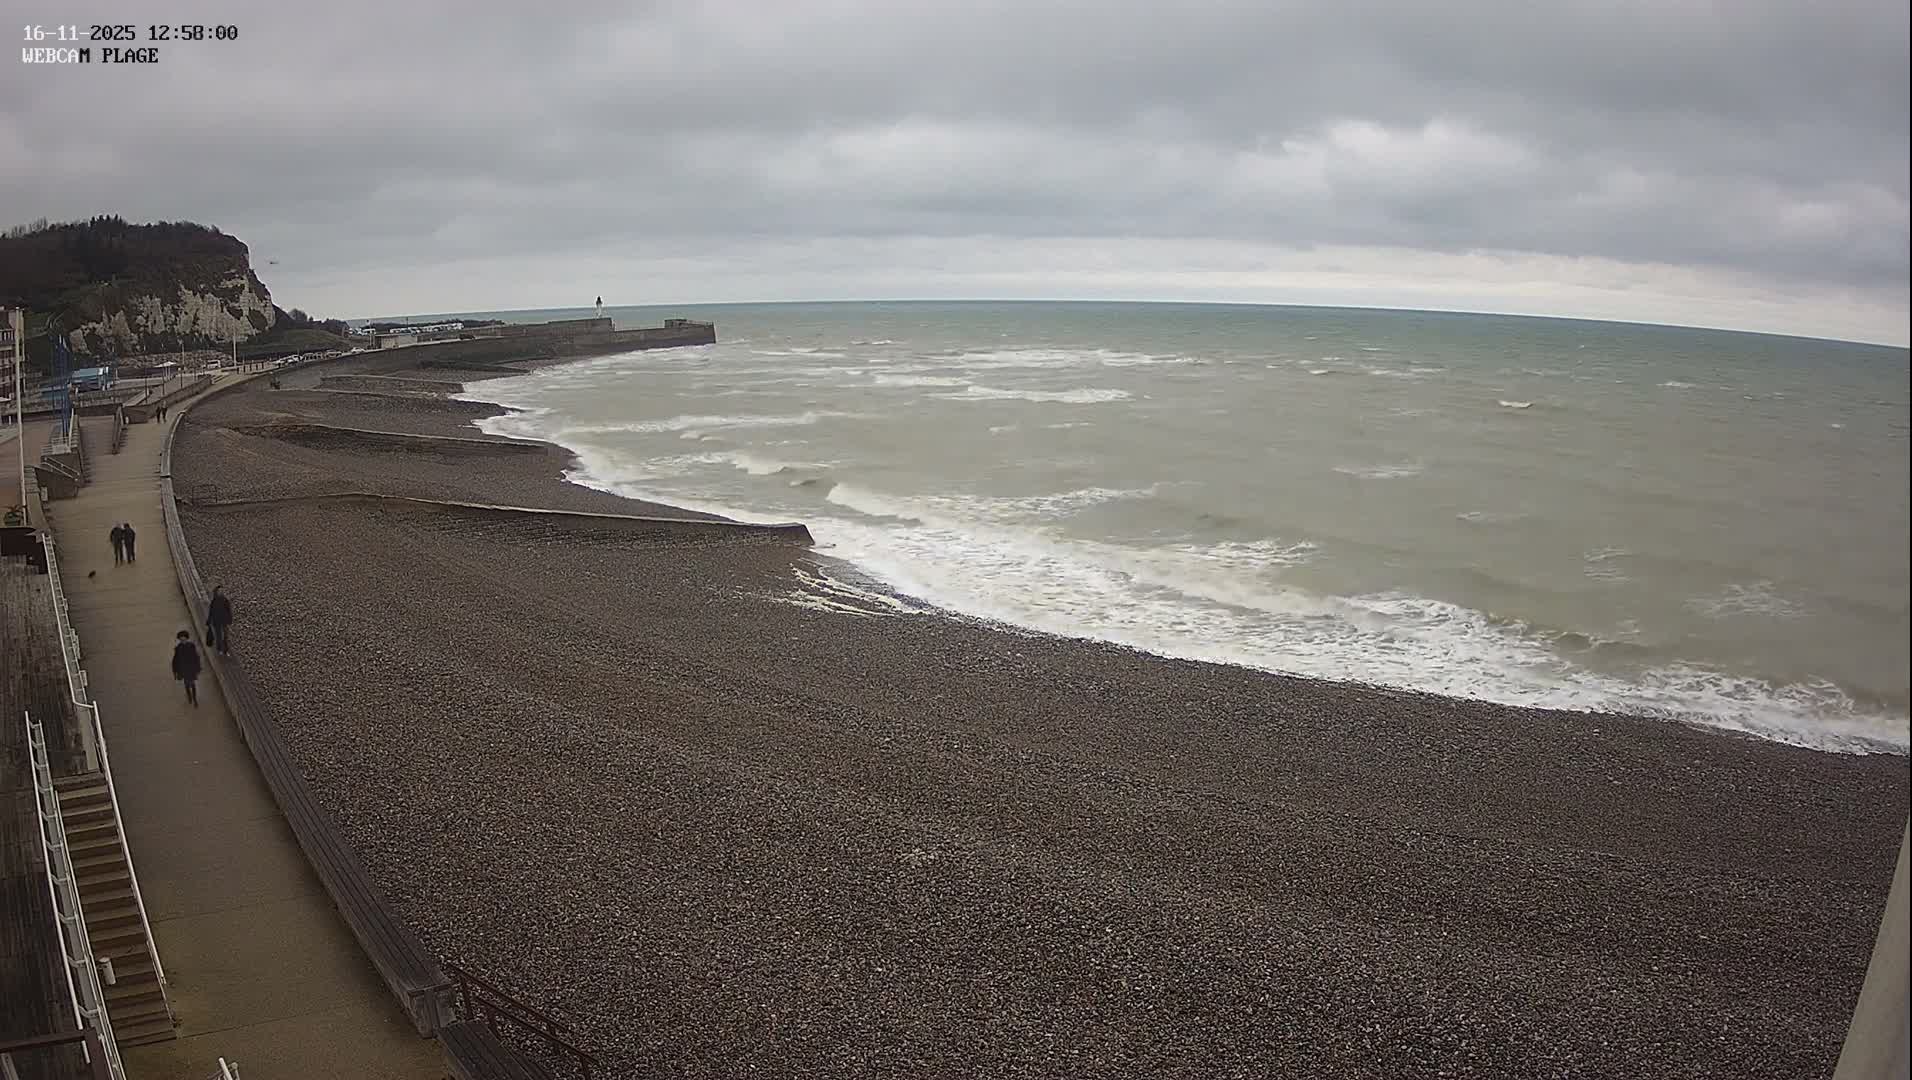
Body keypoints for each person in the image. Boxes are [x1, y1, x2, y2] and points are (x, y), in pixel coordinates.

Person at [171, 631, 202, 706]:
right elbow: (175, 660)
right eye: (181, 638)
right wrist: (175, 671)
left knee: (192, 684)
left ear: (186, 638)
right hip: (184, 668)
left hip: (190, 668)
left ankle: (194, 698)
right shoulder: (178, 648)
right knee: (187, 684)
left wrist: (197, 667)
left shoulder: (191, 645)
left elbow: (196, 657)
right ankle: (190, 697)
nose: (182, 639)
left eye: (183, 637)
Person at [207, 586, 233, 655]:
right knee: (218, 636)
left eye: (222, 591)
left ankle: (226, 650)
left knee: (225, 636)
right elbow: (211, 612)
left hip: (224, 620)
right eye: (219, 591)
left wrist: (230, 619)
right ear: (216, 592)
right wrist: (209, 620)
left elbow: (228, 610)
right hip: (217, 621)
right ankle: (220, 649)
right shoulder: (214, 601)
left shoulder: (225, 600)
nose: (221, 592)